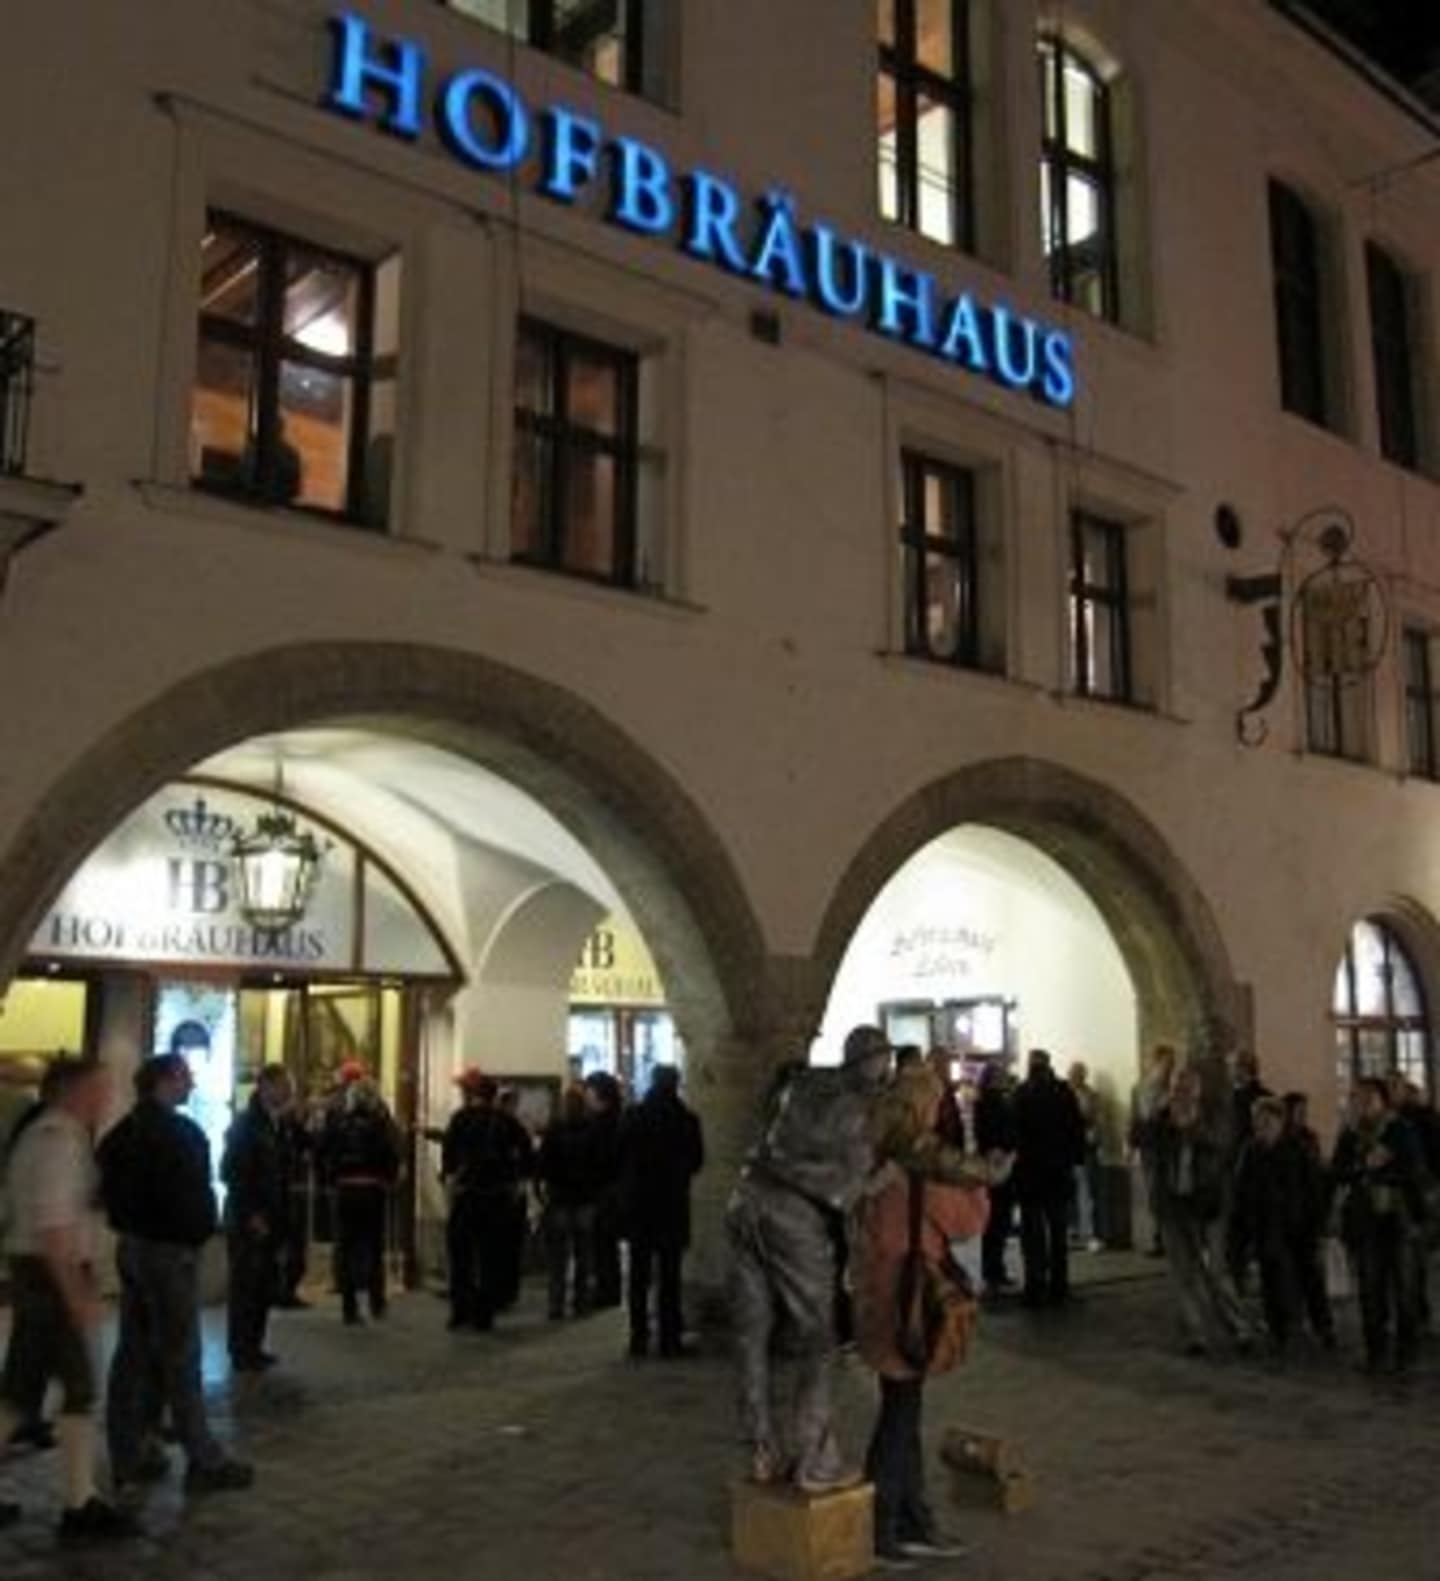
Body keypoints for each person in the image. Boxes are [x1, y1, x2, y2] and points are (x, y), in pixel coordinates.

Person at [727, 1025, 890, 1492]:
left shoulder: (801, 1083)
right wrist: (881, 1180)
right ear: (871, 1063)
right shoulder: (856, 1110)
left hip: (745, 1198)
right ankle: (815, 1460)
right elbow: (848, 1189)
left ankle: (761, 1449)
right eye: (884, 1061)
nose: (887, 1070)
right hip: (792, 1217)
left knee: (750, 1336)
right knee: (819, 1338)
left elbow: (769, 1132)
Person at [99, 1054, 255, 1497]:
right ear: (165, 1081)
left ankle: (131, 1450)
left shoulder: (121, 1134)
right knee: (180, 1355)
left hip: (132, 1247)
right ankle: (202, 1457)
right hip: (170, 1252)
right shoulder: (180, 1133)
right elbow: (194, 1195)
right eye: (185, 1076)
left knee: (134, 1352)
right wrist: (200, 1231)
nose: (191, 1083)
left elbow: (106, 1185)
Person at [854, 1066, 990, 1565]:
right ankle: (883, 1528)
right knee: (899, 1417)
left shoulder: (875, 1157)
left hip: (878, 1297)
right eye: (935, 1102)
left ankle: (912, 1518)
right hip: (910, 1303)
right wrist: (975, 1178)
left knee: (902, 1410)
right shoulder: (922, 1166)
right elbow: (968, 1222)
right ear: (922, 1109)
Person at [0, 1056, 133, 1539]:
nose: (104, 1098)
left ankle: (82, 1500)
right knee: (77, 1388)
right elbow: (54, 1227)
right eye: (97, 1089)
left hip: (40, 1275)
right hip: (49, 1278)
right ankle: (79, 1505)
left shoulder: (53, 1135)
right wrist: (76, 1292)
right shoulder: (57, 1140)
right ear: (72, 1091)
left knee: (19, 1392)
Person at [1149, 1064, 1251, 1357]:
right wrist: (1163, 1119)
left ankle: (1240, 1326)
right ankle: (1195, 1335)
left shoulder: (1212, 1118)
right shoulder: (1161, 1121)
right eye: (1176, 1085)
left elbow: (1221, 1147)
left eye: (1187, 1085)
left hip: (1206, 1208)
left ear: (1198, 1090)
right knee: (1183, 1274)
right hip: (1172, 1207)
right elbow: (1142, 1141)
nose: (1180, 1091)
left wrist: (1191, 1126)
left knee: (1215, 1272)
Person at [1332, 1077, 1423, 1373]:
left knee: (1403, 1286)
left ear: (1383, 1101)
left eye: (1367, 1098)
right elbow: (1337, 1171)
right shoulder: (1350, 1134)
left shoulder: (1401, 1130)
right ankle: (1376, 1352)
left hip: (1398, 1219)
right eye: (1356, 1098)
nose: (1361, 1104)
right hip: (1366, 1220)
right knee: (1371, 1288)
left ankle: (1405, 1352)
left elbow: (1415, 1170)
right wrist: (1362, 1169)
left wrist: (1385, 1171)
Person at [1231, 1095, 1334, 1357]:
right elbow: (1241, 1192)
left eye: (1268, 1120)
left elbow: (1314, 1190)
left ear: (1280, 1121)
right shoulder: (1250, 1151)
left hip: (1299, 1226)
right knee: (1271, 1280)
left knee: (1309, 1277)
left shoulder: (1297, 1149)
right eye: (1258, 1120)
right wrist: (1243, 1230)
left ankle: (1323, 1327)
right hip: (1267, 1227)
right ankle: (1279, 1331)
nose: (1262, 1125)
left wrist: (1319, 1227)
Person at [620, 1064, 704, 1359]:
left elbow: (621, 1156)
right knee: (670, 1277)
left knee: (638, 1276)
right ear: (676, 1084)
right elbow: (696, 1161)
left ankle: (638, 1337)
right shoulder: (687, 1120)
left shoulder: (634, 1116)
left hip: (640, 1205)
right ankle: (669, 1339)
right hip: (671, 1204)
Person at [3, 1058, 65, 1455]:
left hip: (27, 1250)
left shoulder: (31, 1123)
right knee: (41, 1351)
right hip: (37, 1255)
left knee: (29, 1347)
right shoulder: (47, 1129)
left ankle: (23, 1416)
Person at [440, 1069, 533, 1332]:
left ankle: (460, 1311)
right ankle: (484, 1314)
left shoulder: (460, 1119)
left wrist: (450, 1178)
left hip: (467, 1195)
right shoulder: (507, 1122)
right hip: (497, 1197)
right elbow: (527, 1156)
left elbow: (449, 1155)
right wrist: (517, 1180)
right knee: (491, 1257)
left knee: (461, 1258)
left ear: (473, 1094)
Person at [220, 1064, 294, 1372]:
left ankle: (254, 1346)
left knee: (262, 1285)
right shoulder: (247, 1124)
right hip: (248, 1219)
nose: (289, 1092)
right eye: (284, 1086)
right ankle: (241, 1350)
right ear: (266, 1086)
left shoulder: (275, 1124)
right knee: (246, 1286)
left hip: (271, 1218)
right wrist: (251, 1214)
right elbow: (232, 1172)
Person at [320, 1072, 401, 1325]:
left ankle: (349, 1307)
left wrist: (331, 1179)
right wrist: (389, 1178)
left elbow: (324, 1152)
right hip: (372, 1191)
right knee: (374, 1248)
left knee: (345, 1249)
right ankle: (377, 1302)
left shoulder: (338, 1122)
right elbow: (391, 1154)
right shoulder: (381, 1123)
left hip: (345, 1191)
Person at [1012, 1050, 1085, 1307]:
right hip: (1057, 1172)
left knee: (1033, 1235)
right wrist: (1075, 1160)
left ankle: (1035, 1286)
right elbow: (1077, 1127)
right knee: (1057, 1233)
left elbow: (1015, 1133)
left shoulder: (1022, 1093)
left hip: (1030, 1174)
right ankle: (1059, 1287)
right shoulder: (1063, 1092)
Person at [537, 1083, 601, 1320]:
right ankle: (581, 1302)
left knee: (557, 1258)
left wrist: (543, 1189)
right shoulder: (591, 1129)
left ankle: (556, 1304)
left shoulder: (555, 1129)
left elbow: (543, 1163)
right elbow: (599, 1164)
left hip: (560, 1198)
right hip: (584, 1198)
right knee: (584, 1255)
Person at [1224, 1049, 1271, 1291]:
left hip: (1254, 1175)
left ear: (1245, 1069)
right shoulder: (1230, 1096)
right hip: (1233, 1172)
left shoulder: (1261, 1098)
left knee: (1253, 1228)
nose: (1229, 1071)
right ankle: (1238, 1277)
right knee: (1236, 1230)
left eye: (1233, 1066)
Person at [583, 1071, 625, 1309]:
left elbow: (596, 1157)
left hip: (603, 1190)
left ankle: (605, 1292)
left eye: (589, 1091)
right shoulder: (620, 1119)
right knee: (607, 1246)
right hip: (614, 1188)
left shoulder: (600, 1124)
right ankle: (611, 1290)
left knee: (602, 1245)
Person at [1129, 1044, 1176, 1256]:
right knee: (1157, 1192)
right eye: (1168, 1062)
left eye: (1172, 1063)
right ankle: (1161, 1238)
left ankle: (1168, 1238)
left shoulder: (1171, 1085)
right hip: (1154, 1146)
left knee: (1168, 1193)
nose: (1171, 1067)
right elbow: (1141, 1117)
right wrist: (1131, 1144)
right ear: (1156, 1062)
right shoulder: (1145, 1087)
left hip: (1169, 1146)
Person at [973, 1062, 1016, 1292]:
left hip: (999, 1162)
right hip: (997, 1164)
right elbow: (993, 1133)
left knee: (998, 1221)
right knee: (997, 1221)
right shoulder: (991, 1102)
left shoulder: (991, 1100)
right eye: (1000, 1075)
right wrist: (1005, 1147)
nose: (1004, 1077)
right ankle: (993, 1272)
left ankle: (995, 1271)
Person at [494, 1088, 533, 1312]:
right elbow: (528, 1163)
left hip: (492, 1195)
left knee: (495, 1247)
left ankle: (494, 1290)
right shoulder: (518, 1130)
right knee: (511, 1247)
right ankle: (508, 1291)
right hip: (512, 1194)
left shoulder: (492, 1125)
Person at [1067, 1061, 1104, 1251]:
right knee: (1069, 1191)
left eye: (1079, 1074)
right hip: (1067, 1149)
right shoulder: (1062, 1094)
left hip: (1087, 1147)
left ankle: (1093, 1234)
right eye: (1073, 1074)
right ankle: (1072, 1229)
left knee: (1091, 1191)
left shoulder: (1092, 1095)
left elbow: (1096, 1120)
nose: (1075, 1077)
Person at [927, 1049, 966, 1151]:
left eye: (947, 1063)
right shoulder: (928, 1091)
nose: (947, 1068)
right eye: (942, 1063)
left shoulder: (947, 1088)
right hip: (937, 1150)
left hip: (950, 1146)